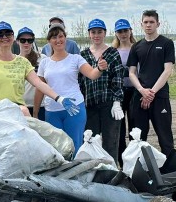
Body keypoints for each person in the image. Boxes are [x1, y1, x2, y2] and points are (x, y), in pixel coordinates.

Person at [36, 23, 107, 153]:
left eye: (61, 36)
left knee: (75, 145)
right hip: (52, 110)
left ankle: (76, 172)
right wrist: (35, 113)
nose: (58, 40)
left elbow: (92, 74)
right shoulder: (44, 63)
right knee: (56, 148)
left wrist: (100, 68)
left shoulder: (76, 59)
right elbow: (40, 88)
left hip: (74, 109)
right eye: (54, 37)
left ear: (65, 38)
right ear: (49, 41)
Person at [127, 9, 176, 161]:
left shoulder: (166, 43)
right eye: (146, 22)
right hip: (140, 97)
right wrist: (142, 91)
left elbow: (167, 71)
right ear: (141, 24)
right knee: (137, 137)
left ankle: (169, 171)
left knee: (165, 137)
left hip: (159, 96)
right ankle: (138, 169)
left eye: (151, 22)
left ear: (158, 24)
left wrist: (152, 92)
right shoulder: (136, 46)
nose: (148, 25)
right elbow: (131, 73)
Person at [79, 18, 125, 162]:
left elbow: (118, 78)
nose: (96, 35)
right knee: (91, 139)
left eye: (99, 32)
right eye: (93, 32)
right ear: (89, 34)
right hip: (90, 103)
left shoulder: (112, 53)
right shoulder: (83, 55)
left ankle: (111, 171)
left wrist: (117, 101)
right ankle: (95, 172)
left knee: (111, 141)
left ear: (105, 33)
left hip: (109, 103)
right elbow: (80, 81)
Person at [112, 18, 136, 164]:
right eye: (120, 31)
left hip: (134, 91)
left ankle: (135, 159)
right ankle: (122, 161)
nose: (123, 34)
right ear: (116, 33)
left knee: (134, 126)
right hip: (119, 92)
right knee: (119, 129)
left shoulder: (137, 47)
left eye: (125, 30)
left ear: (130, 31)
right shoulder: (113, 51)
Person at [16, 27, 45, 118]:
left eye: (30, 40)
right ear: (17, 41)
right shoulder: (14, 61)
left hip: (41, 106)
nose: (26, 43)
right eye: (23, 40)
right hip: (20, 107)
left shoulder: (43, 59)